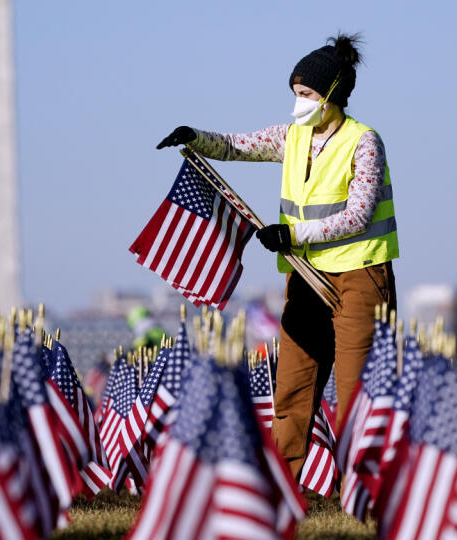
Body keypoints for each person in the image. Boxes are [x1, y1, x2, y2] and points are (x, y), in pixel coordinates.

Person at [157, 33, 398, 479]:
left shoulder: (365, 142)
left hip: (359, 277)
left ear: (331, 95)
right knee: (292, 385)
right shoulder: (291, 138)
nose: (297, 103)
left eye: (305, 94)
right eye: (294, 93)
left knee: (356, 390)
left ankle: (365, 492)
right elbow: (236, 145)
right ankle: (281, 489)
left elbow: (358, 216)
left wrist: (292, 233)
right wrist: (196, 136)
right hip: (305, 277)